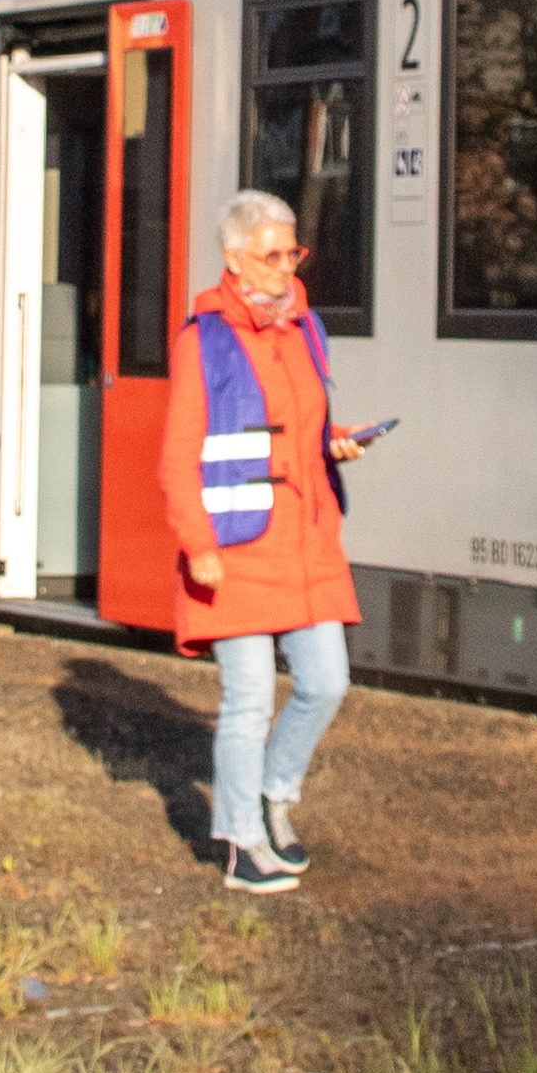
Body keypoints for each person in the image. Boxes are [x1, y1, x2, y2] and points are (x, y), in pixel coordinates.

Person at [162, 187, 365, 894]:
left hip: (306, 544)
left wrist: (333, 445)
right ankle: (243, 842)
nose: (286, 266)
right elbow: (177, 457)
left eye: (293, 252)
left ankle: (277, 794)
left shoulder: (306, 329)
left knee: (327, 682)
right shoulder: (203, 341)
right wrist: (198, 544)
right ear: (235, 259)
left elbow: (301, 432)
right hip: (237, 546)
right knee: (248, 698)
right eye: (272, 254)